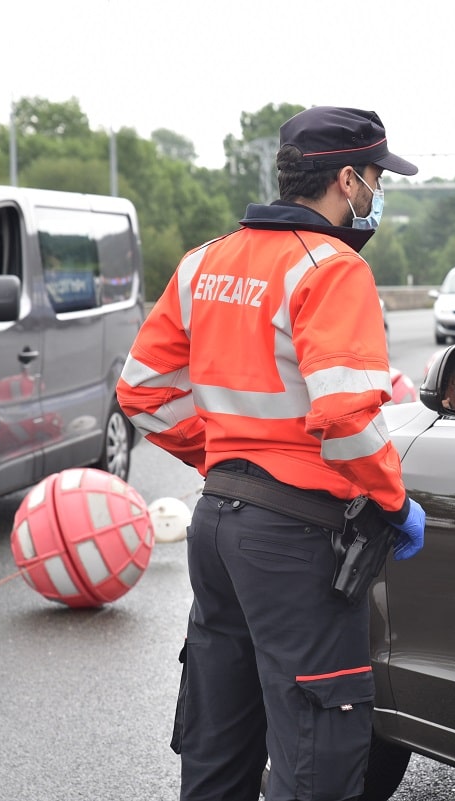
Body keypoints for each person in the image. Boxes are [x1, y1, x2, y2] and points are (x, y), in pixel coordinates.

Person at [115, 105, 427, 801]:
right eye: (377, 178)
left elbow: (140, 392)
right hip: (296, 542)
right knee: (318, 749)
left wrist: (224, 458)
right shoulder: (331, 266)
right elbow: (347, 416)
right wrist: (393, 500)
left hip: (218, 526)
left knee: (219, 742)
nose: (378, 193)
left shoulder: (206, 261)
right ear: (347, 181)